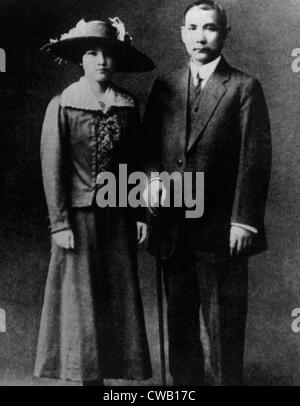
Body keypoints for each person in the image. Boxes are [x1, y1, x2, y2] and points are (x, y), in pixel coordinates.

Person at [142, 0, 271, 386]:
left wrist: (243, 221)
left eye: (210, 28)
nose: (201, 36)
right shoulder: (164, 86)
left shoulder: (244, 87)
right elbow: (148, 147)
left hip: (220, 231)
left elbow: (255, 156)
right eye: (193, 28)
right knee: (179, 326)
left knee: (224, 327)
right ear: (182, 34)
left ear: (225, 34)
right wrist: (149, 183)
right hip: (172, 230)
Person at [34, 18, 154, 386]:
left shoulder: (127, 105)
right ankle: (85, 378)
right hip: (79, 220)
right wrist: (59, 223)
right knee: (80, 304)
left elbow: (136, 162)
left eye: (108, 54)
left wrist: (140, 215)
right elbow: (52, 167)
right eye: (92, 53)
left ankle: (111, 378)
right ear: (80, 60)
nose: (101, 60)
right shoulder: (63, 105)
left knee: (115, 300)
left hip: (118, 220)